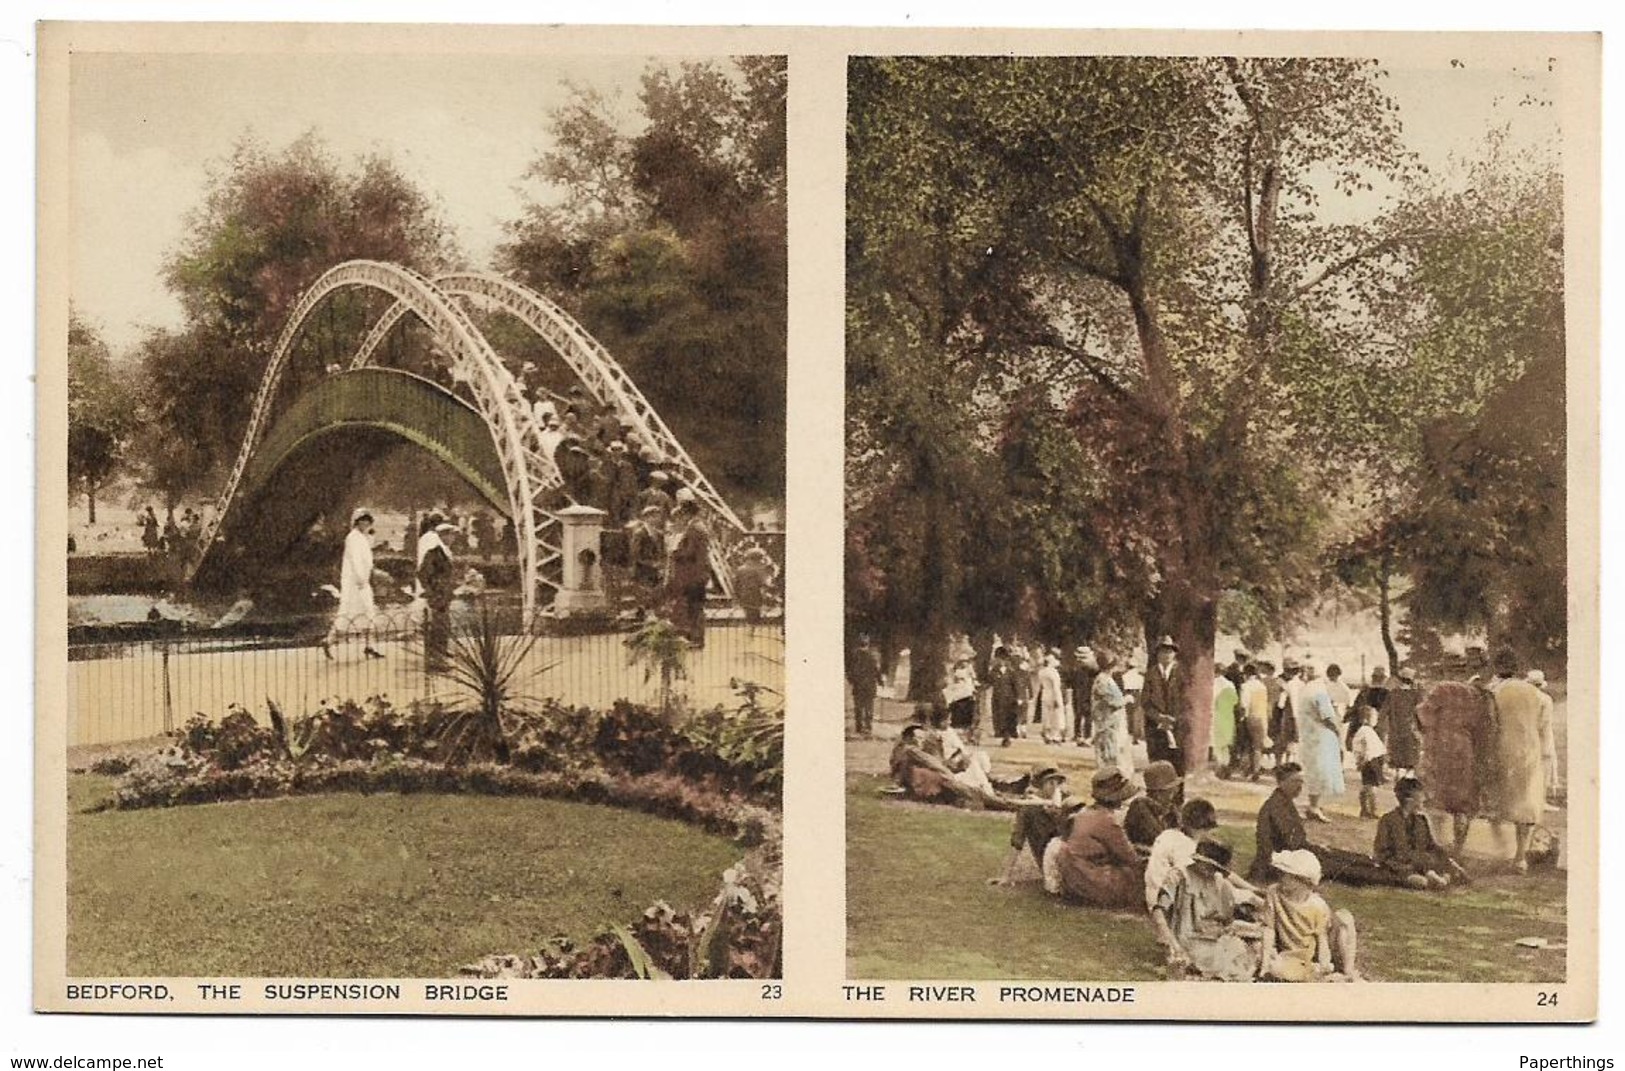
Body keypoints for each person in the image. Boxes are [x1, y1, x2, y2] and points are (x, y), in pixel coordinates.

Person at [1250, 762, 1420, 888]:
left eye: (1302, 782)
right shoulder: (1277, 806)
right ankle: (1400, 879)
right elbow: (1291, 843)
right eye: (1295, 782)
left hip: (1294, 853)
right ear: (1282, 782)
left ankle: (1386, 867)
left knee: (1345, 857)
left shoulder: (1284, 802)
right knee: (1343, 867)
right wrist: (1316, 849)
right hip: (1280, 861)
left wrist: (1318, 848)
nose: (1300, 786)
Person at [1151, 839, 1263, 982]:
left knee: (1249, 949)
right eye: (1207, 865)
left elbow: (1238, 900)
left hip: (1213, 936)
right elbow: (1159, 910)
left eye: (1214, 868)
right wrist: (1171, 943)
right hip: (1188, 938)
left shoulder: (1217, 881)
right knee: (1228, 962)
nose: (1209, 871)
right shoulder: (1180, 876)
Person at [1485, 650, 1557, 873]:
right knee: (1525, 804)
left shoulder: (1493, 692)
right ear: (1516, 668)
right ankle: (1519, 858)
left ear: (1497, 668)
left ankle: (1501, 850)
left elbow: (1490, 724)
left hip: (1502, 750)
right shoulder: (1538, 695)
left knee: (1497, 803)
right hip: (1529, 751)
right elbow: (1544, 727)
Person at [1050, 768, 1145, 909]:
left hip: (1075, 878)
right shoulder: (1107, 821)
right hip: (1092, 881)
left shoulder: (1084, 814)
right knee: (1139, 873)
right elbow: (1130, 858)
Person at [1259, 850, 1361, 982]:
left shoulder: (1317, 905)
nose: (1281, 878)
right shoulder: (1274, 893)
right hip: (1291, 955)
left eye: (1287, 875)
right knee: (1276, 968)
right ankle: (1316, 972)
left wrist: (1324, 963)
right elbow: (1269, 928)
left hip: (1317, 951)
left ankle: (1347, 972)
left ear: (1302, 881)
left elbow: (1322, 938)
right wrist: (1265, 965)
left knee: (1345, 917)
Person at [1417, 679, 1493, 853]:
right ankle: (1458, 846)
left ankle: (1438, 844)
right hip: (1464, 749)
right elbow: (1483, 727)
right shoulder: (1475, 694)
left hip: (1440, 748)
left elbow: (1423, 715)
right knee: (1463, 802)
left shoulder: (1440, 688)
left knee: (1437, 797)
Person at [1373, 776, 1462, 889]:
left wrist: (1447, 858)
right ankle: (1433, 878)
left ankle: (1436, 877)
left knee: (1449, 873)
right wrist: (1408, 868)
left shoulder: (1421, 821)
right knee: (1422, 882)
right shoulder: (1388, 820)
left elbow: (1432, 846)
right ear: (1409, 800)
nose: (1424, 799)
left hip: (1423, 865)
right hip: (1400, 868)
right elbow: (1382, 854)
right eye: (1421, 796)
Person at [323, 508, 385, 660]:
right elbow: (356, 560)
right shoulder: (353, 538)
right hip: (356, 583)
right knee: (347, 613)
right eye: (362, 521)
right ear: (356, 522)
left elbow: (366, 556)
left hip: (362, 581)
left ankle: (370, 646)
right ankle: (329, 640)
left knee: (368, 612)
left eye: (367, 521)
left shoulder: (362, 538)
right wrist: (361, 579)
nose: (365, 523)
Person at [996, 764, 1072, 885]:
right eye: (1050, 783)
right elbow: (1017, 842)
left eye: (1057, 783)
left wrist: (1059, 815)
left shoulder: (1065, 801)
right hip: (1048, 859)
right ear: (1040, 785)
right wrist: (1006, 876)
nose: (1054, 787)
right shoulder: (1028, 809)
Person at [1144, 797, 1222, 910]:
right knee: (1217, 879)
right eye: (1207, 830)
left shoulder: (1168, 834)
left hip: (1152, 892)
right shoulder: (1186, 845)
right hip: (1167, 900)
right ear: (1201, 828)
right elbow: (1188, 873)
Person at [1295, 661, 1344, 823]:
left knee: (1313, 770)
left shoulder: (1305, 690)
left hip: (1308, 734)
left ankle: (1313, 804)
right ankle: (1314, 806)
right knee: (1320, 771)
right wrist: (1338, 732)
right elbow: (1328, 716)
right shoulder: (1320, 692)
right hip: (1320, 736)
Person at [665, 492, 711, 647]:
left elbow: (690, 552)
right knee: (694, 605)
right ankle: (694, 637)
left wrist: (675, 552)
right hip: (698, 572)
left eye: (682, 514)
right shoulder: (698, 526)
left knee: (695, 606)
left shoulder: (694, 528)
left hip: (694, 573)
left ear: (686, 512)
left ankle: (697, 639)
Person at [1140, 635, 1187, 773]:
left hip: (1177, 727)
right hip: (1155, 728)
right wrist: (1159, 717)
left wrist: (1175, 718)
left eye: (1169, 651)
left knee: (1177, 767)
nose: (1166, 655)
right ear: (1158, 654)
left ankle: (1178, 794)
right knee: (1157, 766)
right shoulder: (1151, 674)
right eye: (1163, 651)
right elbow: (1145, 701)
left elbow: (1187, 702)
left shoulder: (1182, 674)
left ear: (1174, 654)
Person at [416, 516, 456, 673]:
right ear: (443, 535)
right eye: (450, 534)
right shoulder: (435, 553)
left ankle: (439, 656)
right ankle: (436, 660)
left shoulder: (443, 551)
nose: (452, 537)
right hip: (438, 595)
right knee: (438, 626)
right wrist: (432, 591)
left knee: (442, 625)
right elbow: (423, 573)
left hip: (443, 594)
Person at [1091, 650, 1135, 779]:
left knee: (1115, 755)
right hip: (1109, 725)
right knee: (1113, 758)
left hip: (1111, 724)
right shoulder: (1104, 681)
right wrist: (1128, 698)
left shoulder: (1104, 679)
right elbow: (1115, 702)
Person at [1123, 760, 1183, 851]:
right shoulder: (1140, 806)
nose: (1176, 791)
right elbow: (1161, 840)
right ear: (1159, 793)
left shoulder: (1169, 808)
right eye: (1172, 789)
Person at [1383, 666, 1423, 778]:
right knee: (1410, 754)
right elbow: (1420, 712)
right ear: (1411, 680)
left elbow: (1385, 711)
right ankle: (1408, 775)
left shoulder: (1393, 694)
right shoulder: (1416, 694)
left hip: (1395, 728)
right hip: (1410, 728)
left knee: (1397, 753)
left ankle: (1397, 773)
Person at [1350, 706, 1388, 820]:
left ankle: (1366, 809)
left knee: (1368, 786)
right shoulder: (1365, 731)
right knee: (1371, 787)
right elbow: (1365, 747)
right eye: (1374, 717)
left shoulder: (1368, 731)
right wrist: (1362, 760)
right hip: (1370, 761)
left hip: (1372, 760)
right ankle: (1370, 810)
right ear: (1366, 719)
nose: (1376, 720)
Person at [1236, 662, 1270, 781]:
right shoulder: (1262, 686)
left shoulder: (1246, 686)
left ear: (1246, 674)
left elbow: (1244, 704)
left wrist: (1241, 717)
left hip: (1250, 717)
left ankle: (1245, 770)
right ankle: (1256, 770)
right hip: (1261, 717)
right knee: (1257, 746)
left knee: (1246, 744)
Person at [847, 634, 883, 738]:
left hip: (858, 685)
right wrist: (880, 682)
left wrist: (852, 681)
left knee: (858, 707)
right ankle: (868, 727)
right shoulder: (871, 656)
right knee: (869, 707)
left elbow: (850, 672)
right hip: (869, 686)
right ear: (868, 644)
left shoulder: (854, 656)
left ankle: (859, 727)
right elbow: (876, 671)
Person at [1348, 666, 1391, 750]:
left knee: (1367, 750)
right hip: (1381, 726)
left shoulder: (1364, 692)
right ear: (1383, 679)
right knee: (1379, 750)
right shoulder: (1387, 693)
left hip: (1365, 726)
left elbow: (1355, 710)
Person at [988, 646, 1023, 746]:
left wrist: (1019, 697)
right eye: (998, 659)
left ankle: (1007, 737)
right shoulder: (994, 671)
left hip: (1009, 698)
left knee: (1008, 718)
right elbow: (989, 681)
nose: (999, 661)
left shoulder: (1011, 671)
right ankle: (1001, 735)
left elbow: (1017, 684)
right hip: (997, 698)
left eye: (1001, 659)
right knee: (999, 718)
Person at [1066, 646, 1098, 746]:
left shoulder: (1089, 669)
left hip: (1084, 693)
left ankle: (1084, 735)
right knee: (1082, 714)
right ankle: (1081, 735)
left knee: (1085, 715)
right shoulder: (1081, 668)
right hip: (1081, 693)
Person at [1036, 652, 1067, 744]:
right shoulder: (1053, 673)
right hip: (1053, 694)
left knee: (1047, 716)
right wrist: (1057, 699)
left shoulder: (1041, 672)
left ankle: (1047, 734)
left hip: (1045, 694)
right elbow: (1056, 687)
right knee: (1056, 716)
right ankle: (1055, 736)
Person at [1211, 672, 1238, 775]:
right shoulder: (1230, 684)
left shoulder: (1213, 684)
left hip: (1217, 716)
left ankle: (1219, 769)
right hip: (1228, 716)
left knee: (1217, 745)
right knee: (1226, 745)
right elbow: (1235, 701)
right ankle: (1225, 768)